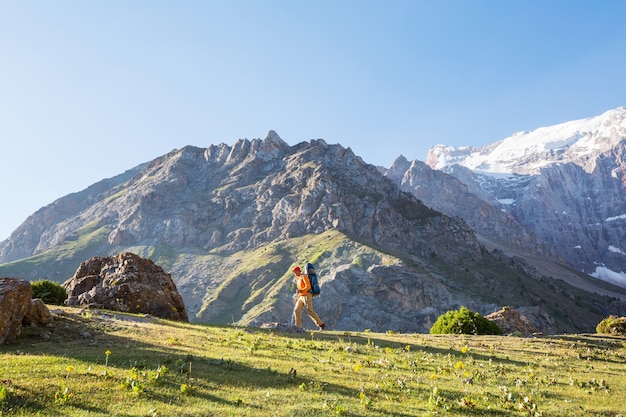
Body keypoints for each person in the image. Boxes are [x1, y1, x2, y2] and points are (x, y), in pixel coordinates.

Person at [292, 266, 326, 330]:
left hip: (307, 295)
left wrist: (301, 291)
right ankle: (298, 327)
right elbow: (299, 290)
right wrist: (297, 298)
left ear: (299, 271)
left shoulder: (304, 277)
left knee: (309, 310)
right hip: (301, 296)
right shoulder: (298, 279)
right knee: (297, 310)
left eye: (295, 272)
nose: (295, 273)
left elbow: (308, 286)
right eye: (294, 272)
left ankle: (321, 324)